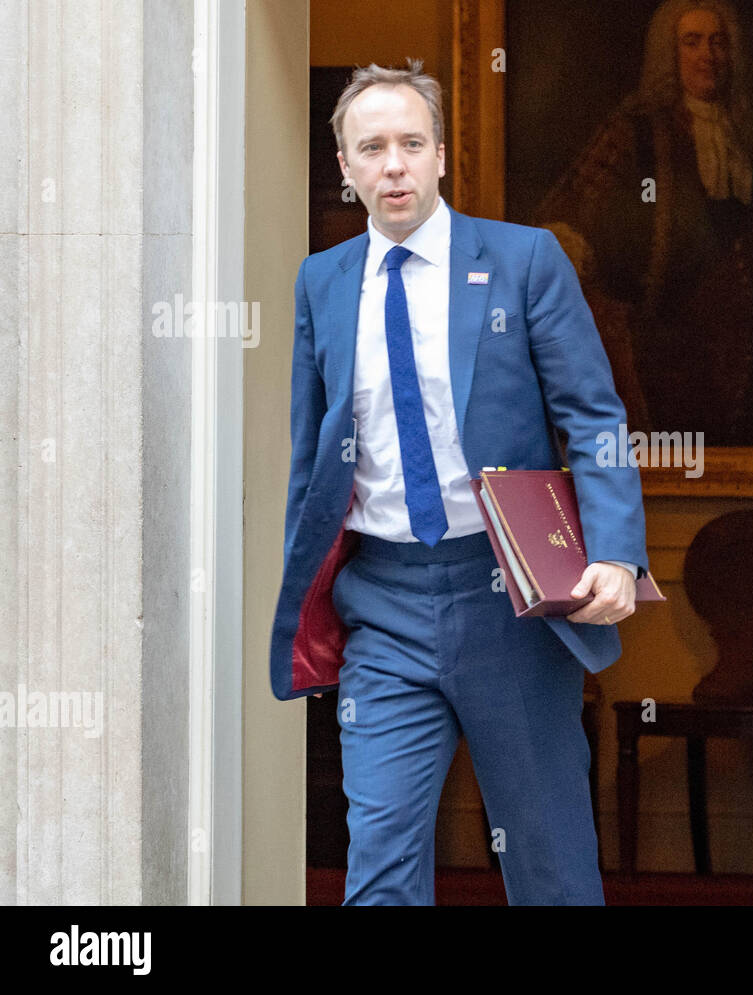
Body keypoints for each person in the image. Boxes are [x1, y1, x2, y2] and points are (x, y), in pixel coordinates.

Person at [267, 59, 649, 906]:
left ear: (441, 155)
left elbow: (593, 415)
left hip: (507, 599)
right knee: (380, 867)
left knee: (548, 865)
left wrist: (618, 553)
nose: (393, 163)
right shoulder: (321, 283)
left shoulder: (524, 261)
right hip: (384, 606)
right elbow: (312, 452)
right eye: (372, 147)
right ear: (345, 166)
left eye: (411, 143)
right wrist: (311, 591)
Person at [532, 0, 753, 446]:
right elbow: (564, 213)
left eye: (718, 42)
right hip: (663, 352)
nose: (708, 55)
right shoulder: (637, 129)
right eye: (692, 42)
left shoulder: (751, 139)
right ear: (671, 52)